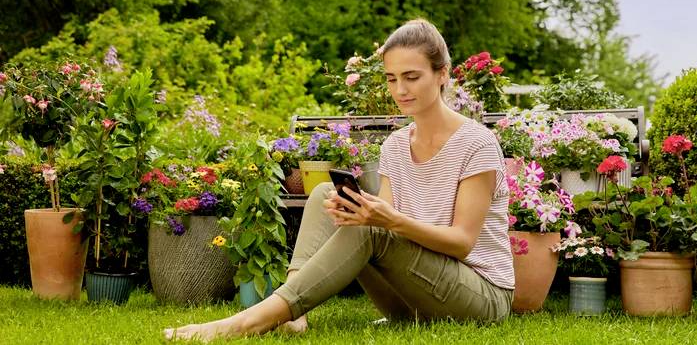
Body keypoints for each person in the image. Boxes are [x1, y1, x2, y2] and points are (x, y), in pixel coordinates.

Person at [164, 18, 514, 342]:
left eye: (412, 77)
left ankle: (249, 321)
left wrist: (385, 220)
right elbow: (389, 234)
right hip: (413, 296)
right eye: (392, 79)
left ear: (442, 74)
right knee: (325, 195)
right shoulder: (395, 145)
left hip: (480, 296)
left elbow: (461, 243)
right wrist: (364, 213)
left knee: (371, 226)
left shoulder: (476, 143)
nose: (400, 89)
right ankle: (294, 313)